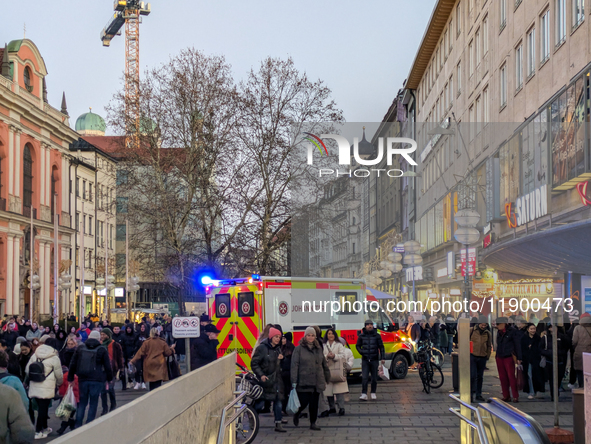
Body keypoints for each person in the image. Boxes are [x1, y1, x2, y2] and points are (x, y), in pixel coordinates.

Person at [68, 330, 113, 428]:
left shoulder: (80, 348)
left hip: (82, 378)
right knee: (93, 402)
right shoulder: (102, 349)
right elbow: (107, 366)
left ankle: (78, 424)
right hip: (97, 379)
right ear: (98, 339)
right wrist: (110, 379)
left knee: (82, 402)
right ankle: (89, 424)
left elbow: (73, 363)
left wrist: (70, 377)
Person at [290, 326, 330, 431]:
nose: (311, 337)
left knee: (314, 404)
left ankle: (313, 423)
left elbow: (324, 364)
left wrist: (327, 376)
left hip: (317, 379)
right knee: (303, 402)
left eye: (312, 335)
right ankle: (297, 413)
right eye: (308, 335)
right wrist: (294, 380)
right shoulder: (298, 349)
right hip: (304, 380)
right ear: (305, 336)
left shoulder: (318, 348)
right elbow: (295, 365)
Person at [25, 337, 63, 439]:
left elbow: (27, 370)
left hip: (35, 385)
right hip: (47, 387)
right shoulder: (54, 358)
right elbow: (59, 375)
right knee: (43, 410)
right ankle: (38, 431)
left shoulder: (35, 355)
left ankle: (45, 428)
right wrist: (59, 384)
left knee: (42, 409)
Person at [251, 327, 285, 433]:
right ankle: (252, 418)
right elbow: (254, 363)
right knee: (260, 403)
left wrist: (282, 359)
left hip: (276, 380)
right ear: (271, 337)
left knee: (278, 402)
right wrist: (261, 375)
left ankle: (278, 424)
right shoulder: (262, 348)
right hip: (265, 380)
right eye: (276, 337)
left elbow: (280, 366)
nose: (278, 339)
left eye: (279, 337)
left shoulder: (278, 349)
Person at [320, 328, 348, 416]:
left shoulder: (339, 345)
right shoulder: (324, 345)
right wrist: (327, 356)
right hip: (328, 369)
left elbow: (343, 356)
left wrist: (334, 356)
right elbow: (321, 356)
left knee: (339, 391)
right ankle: (332, 407)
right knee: (328, 390)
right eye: (329, 334)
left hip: (338, 370)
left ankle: (341, 408)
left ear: (334, 335)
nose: (330, 335)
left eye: (332, 333)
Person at [540, 323, 571, 401]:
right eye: (550, 327)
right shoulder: (545, 338)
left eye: (554, 327)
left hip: (560, 361)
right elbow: (540, 349)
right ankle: (554, 395)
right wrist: (549, 353)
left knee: (559, 378)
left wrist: (560, 353)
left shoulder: (562, 337)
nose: (552, 329)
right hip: (549, 361)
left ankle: (556, 393)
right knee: (552, 379)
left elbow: (567, 346)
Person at [495, 317, 522, 402]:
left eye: (498, 324)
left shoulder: (512, 332)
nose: (497, 326)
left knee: (511, 376)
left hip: (508, 356)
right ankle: (506, 395)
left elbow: (517, 345)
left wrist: (519, 357)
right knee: (502, 377)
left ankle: (515, 395)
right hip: (500, 356)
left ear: (504, 323)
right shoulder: (499, 332)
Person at [356, 320, 385, 400]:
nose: (370, 326)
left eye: (371, 324)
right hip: (365, 359)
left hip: (374, 359)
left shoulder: (377, 336)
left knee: (374, 378)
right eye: (368, 325)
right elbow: (357, 346)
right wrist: (362, 352)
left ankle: (373, 392)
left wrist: (383, 357)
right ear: (365, 326)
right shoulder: (361, 336)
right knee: (364, 377)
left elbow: (381, 347)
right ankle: (364, 393)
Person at [99, 328, 124, 415]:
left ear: (108, 335)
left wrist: (121, 369)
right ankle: (104, 407)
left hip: (112, 369)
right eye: (101, 334)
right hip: (102, 370)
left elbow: (120, 357)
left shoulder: (115, 345)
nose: (102, 336)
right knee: (102, 390)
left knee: (110, 388)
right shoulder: (100, 345)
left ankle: (113, 404)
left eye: (103, 334)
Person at [470, 316, 492, 402]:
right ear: (479, 324)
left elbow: (489, 345)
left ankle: (478, 394)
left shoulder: (488, 333)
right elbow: (467, 342)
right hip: (473, 356)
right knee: (472, 376)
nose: (483, 326)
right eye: (482, 325)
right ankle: (471, 394)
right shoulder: (471, 331)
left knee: (480, 377)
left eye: (485, 325)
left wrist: (487, 355)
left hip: (482, 357)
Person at [521, 323, 544, 399]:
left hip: (536, 359)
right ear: (528, 329)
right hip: (527, 360)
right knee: (529, 375)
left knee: (537, 375)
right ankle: (531, 391)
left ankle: (537, 390)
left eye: (534, 329)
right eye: (531, 329)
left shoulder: (538, 338)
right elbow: (522, 349)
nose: (533, 330)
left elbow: (540, 348)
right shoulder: (524, 338)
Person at [56, 365, 79, 436]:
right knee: (70, 415)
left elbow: (62, 392)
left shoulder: (63, 378)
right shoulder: (76, 376)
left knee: (65, 415)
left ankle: (63, 428)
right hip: (75, 399)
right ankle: (72, 426)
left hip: (67, 400)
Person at [572, 312, 591, 388]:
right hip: (589, 352)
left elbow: (574, 341)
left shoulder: (577, 328)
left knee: (580, 371)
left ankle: (581, 387)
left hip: (579, 353)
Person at [280, 332, 295, 414]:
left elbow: (289, 363)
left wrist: (283, 359)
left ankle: (284, 408)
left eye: (284, 338)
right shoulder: (284, 348)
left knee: (286, 391)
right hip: (285, 373)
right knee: (285, 392)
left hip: (287, 373)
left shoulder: (290, 349)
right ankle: (284, 408)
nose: (282, 340)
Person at [120, 325, 137, 390]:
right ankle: (130, 381)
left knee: (132, 368)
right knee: (128, 368)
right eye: (127, 328)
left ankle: (132, 380)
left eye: (130, 328)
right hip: (126, 353)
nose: (128, 330)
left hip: (133, 353)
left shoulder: (135, 335)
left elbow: (136, 344)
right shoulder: (123, 336)